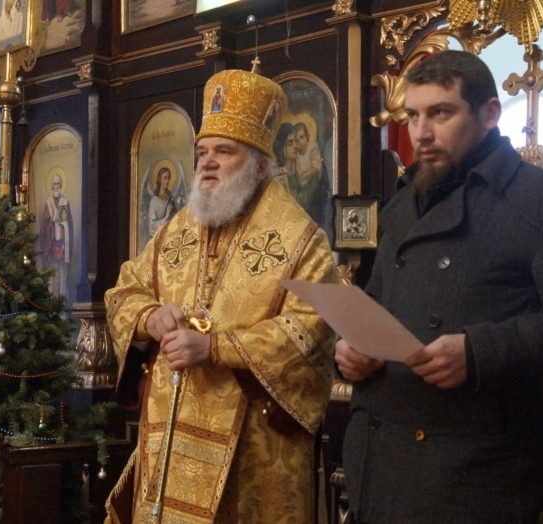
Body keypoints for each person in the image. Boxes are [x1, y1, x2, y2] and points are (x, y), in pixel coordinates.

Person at [334, 50, 543, 523]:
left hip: (474, 478)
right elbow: (377, 306)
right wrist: (351, 351)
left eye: (440, 113)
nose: (421, 133)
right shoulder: (402, 206)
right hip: (382, 469)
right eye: (413, 116)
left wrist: (477, 352)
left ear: (489, 114)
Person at [104, 65, 339, 524]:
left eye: (224, 151)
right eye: (201, 152)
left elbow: (310, 332)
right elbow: (125, 290)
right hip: (169, 436)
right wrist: (149, 317)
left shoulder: (300, 240)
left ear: (259, 164)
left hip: (252, 445)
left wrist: (214, 347)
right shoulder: (178, 228)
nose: (207, 163)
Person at [40, 172, 73, 303]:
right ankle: (51, 304)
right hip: (51, 246)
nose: (56, 186)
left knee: (62, 277)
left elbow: (69, 224)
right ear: (51, 186)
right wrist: (51, 221)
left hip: (62, 245)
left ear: (61, 185)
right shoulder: (48, 203)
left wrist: (63, 227)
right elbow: (43, 227)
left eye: (58, 183)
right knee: (52, 277)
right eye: (54, 184)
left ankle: (62, 304)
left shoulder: (65, 202)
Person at [145, 164, 178, 241]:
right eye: (165, 178)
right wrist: (166, 218)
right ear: (160, 180)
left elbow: (175, 219)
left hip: (169, 238)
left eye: (168, 178)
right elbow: (152, 226)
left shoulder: (170, 199)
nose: (167, 181)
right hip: (157, 239)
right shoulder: (154, 201)